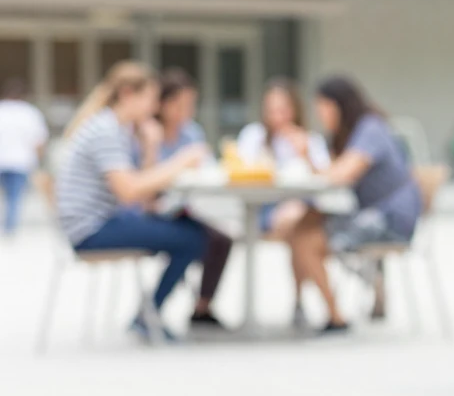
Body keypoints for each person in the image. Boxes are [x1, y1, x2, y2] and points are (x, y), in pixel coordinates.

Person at [56, 62, 209, 341]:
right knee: (193, 238)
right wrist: (180, 161)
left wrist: (151, 146)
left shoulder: (115, 128)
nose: (153, 108)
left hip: (103, 220)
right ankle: (147, 316)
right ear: (128, 94)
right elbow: (129, 192)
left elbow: (140, 192)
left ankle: (148, 314)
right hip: (92, 229)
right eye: (150, 99)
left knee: (188, 229)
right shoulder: (106, 130)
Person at [285, 76, 422, 333]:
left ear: (338, 105)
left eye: (322, 107)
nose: (320, 114)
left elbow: (341, 175)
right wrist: (306, 157)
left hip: (389, 220)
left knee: (305, 239)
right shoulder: (353, 133)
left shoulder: (370, 128)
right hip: (373, 215)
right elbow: (332, 175)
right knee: (305, 222)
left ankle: (336, 317)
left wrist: (311, 160)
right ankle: (363, 284)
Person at [134, 68, 233, 330]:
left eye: (190, 105)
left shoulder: (191, 133)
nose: (185, 111)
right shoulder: (146, 133)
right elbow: (142, 186)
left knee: (221, 239)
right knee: (194, 241)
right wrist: (155, 148)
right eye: (179, 104)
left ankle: (202, 308)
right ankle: (150, 311)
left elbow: (208, 172)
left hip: (186, 208)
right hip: (151, 211)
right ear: (162, 104)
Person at [236, 78, 331, 236]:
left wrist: (306, 155)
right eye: (271, 110)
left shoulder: (310, 139)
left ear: (295, 109)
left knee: (298, 214)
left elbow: (326, 180)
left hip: (301, 202)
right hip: (263, 204)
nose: (277, 117)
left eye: (283, 110)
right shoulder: (253, 135)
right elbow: (239, 171)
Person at [0, 78, 48, 237]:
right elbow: (38, 141)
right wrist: (39, 162)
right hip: (20, 161)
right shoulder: (29, 112)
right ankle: (10, 228)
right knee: (14, 196)